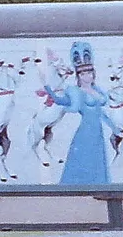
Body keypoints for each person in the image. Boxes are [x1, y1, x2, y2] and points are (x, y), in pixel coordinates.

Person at [43, 41, 113, 185]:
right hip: (85, 131)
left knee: (97, 161)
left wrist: (117, 130)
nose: (87, 77)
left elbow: (102, 114)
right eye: (83, 74)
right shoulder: (75, 91)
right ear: (78, 76)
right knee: (82, 159)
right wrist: (46, 86)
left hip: (98, 132)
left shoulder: (98, 90)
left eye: (89, 73)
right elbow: (60, 101)